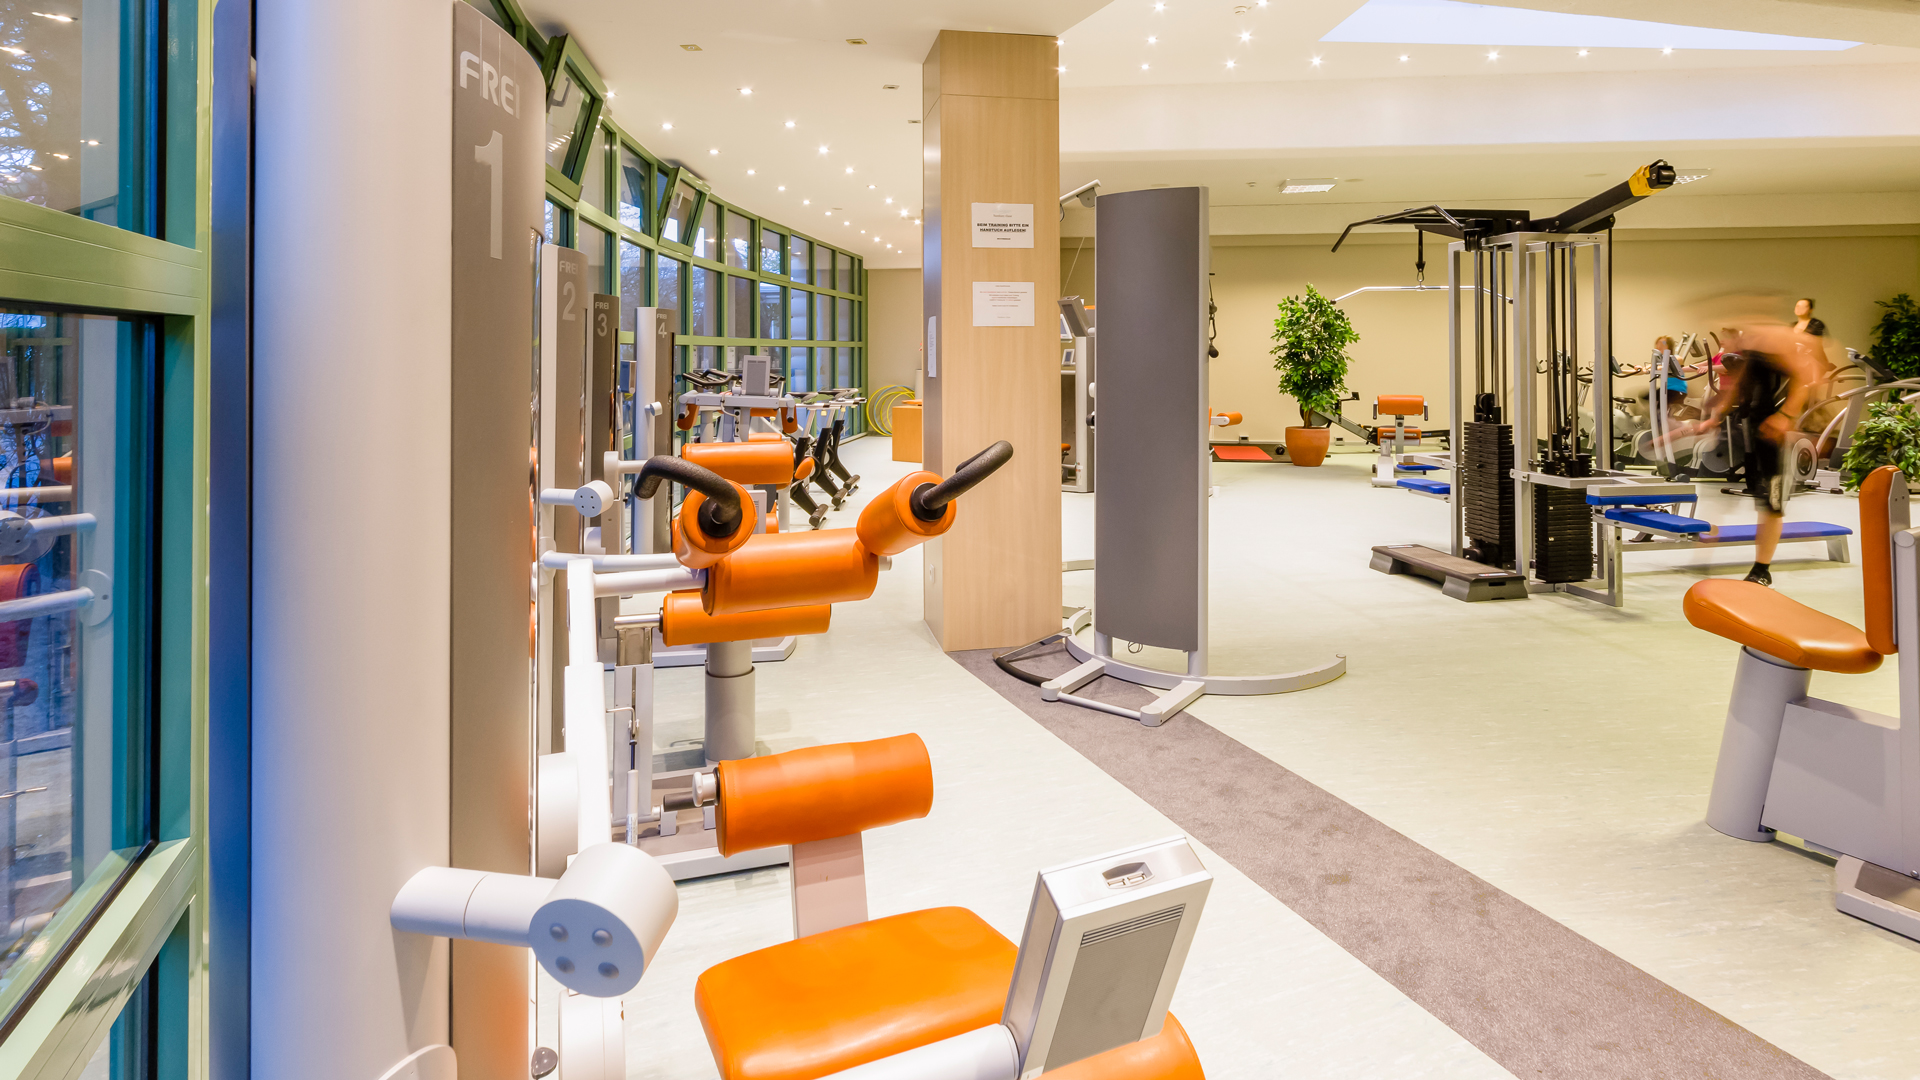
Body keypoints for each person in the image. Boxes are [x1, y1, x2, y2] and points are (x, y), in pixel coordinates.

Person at [1657, 315, 1825, 586]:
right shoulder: (1751, 346)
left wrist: (1785, 416)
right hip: (1745, 424)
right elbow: (1738, 384)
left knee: (1770, 503)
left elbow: (1804, 380)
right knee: (1732, 498)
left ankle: (1762, 570)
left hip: (1771, 432)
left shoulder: (1777, 342)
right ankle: (1704, 556)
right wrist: (1715, 416)